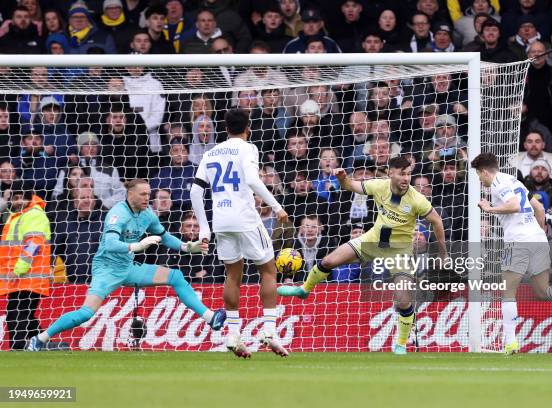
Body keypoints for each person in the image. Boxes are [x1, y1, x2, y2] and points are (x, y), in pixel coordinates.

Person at [27, 179, 225, 351]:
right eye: (143, 194)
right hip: (106, 269)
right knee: (86, 314)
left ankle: (210, 318)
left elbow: (164, 237)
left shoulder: (147, 213)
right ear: (130, 194)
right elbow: (111, 244)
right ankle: (39, 339)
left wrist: (187, 247)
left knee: (175, 277)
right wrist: (137, 246)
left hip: (128, 268)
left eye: (149, 193)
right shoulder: (117, 213)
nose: (147, 198)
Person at [278, 156, 448, 355]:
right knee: (328, 261)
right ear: (390, 173)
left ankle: (401, 343)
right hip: (372, 240)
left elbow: (437, 221)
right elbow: (350, 185)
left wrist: (442, 253)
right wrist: (342, 177)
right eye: (402, 174)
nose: (406, 178)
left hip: (399, 251)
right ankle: (304, 290)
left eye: (409, 174)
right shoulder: (378, 186)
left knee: (403, 299)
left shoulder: (417, 199)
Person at [470, 152, 552, 355]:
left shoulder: (498, 184)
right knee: (542, 292)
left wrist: (488, 208)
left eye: (478, 175)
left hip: (517, 241)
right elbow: (537, 206)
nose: (479, 179)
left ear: (484, 171)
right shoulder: (514, 180)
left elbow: (514, 205)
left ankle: (510, 343)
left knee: (508, 293)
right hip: (536, 238)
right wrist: (539, 232)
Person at [190, 108, 290, 358]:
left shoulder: (211, 152)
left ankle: (233, 334)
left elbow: (195, 191)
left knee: (233, 276)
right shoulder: (249, 148)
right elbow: (254, 181)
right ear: (248, 128)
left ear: (225, 129)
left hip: (221, 222)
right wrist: (277, 207)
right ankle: (269, 330)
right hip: (245, 218)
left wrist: (204, 227)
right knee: (268, 270)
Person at [0, 181, 51, 350]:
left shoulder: (34, 214)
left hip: (28, 277)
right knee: (25, 317)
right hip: (21, 279)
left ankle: (17, 349)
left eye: (22, 197)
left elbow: (33, 244)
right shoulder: (18, 215)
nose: (18, 201)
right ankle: (47, 344)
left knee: (16, 317)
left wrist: (18, 269)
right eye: (15, 198)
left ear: (30, 197)